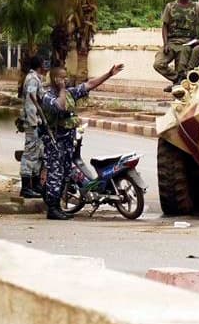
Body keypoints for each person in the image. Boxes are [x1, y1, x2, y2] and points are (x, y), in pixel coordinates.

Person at [40, 64, 124, 220]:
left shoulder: (70, 93)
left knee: (65, 174)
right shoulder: (48, 97)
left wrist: (109, 74)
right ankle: (52, 209)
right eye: (62, 78)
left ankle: (57, 207)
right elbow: (60, 106)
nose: (66, 80)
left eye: (66, 77)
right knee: (55, 175)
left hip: (67, 143)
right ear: (55, 79)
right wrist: (62, 89)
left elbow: (89, 85)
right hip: (55, 143)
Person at [154, 0, 199, 92]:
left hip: (188, 42)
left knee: (182, 67)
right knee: (158, 63)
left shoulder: (197, 7)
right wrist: (165, 43)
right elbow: (165, 26)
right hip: (172, 42)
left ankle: (179, 83)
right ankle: (178, 79)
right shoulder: (170, 6)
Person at [19, 55, 47, 198]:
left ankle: (36, 185)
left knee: (38, 153)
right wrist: (33, 123)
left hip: (38, 123)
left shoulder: (37, 78)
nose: (46, 66)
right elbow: (31, 102)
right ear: (39, 65)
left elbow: (42, 98)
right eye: (44, 63)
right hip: (32, 123)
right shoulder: (31, 79)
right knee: (30, 153)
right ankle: (25, 187)